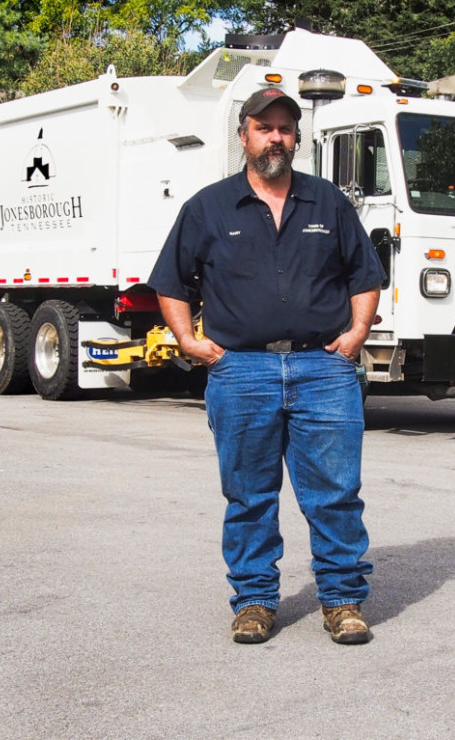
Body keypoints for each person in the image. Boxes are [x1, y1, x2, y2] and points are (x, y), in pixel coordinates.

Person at [148, 87, 385, 645]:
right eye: (264, 127)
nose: (275, 136)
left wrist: (355, 334)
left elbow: (365, 276)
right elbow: (171, 280)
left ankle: (343, 600)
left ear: (296, 138)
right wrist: (188, 339)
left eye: (284, 127)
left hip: (323, 370)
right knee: (249, 494)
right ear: (244, 137)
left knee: (334, 492)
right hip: (242, 372)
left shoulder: (328, 203)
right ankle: (254, 601)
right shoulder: (207, 208)